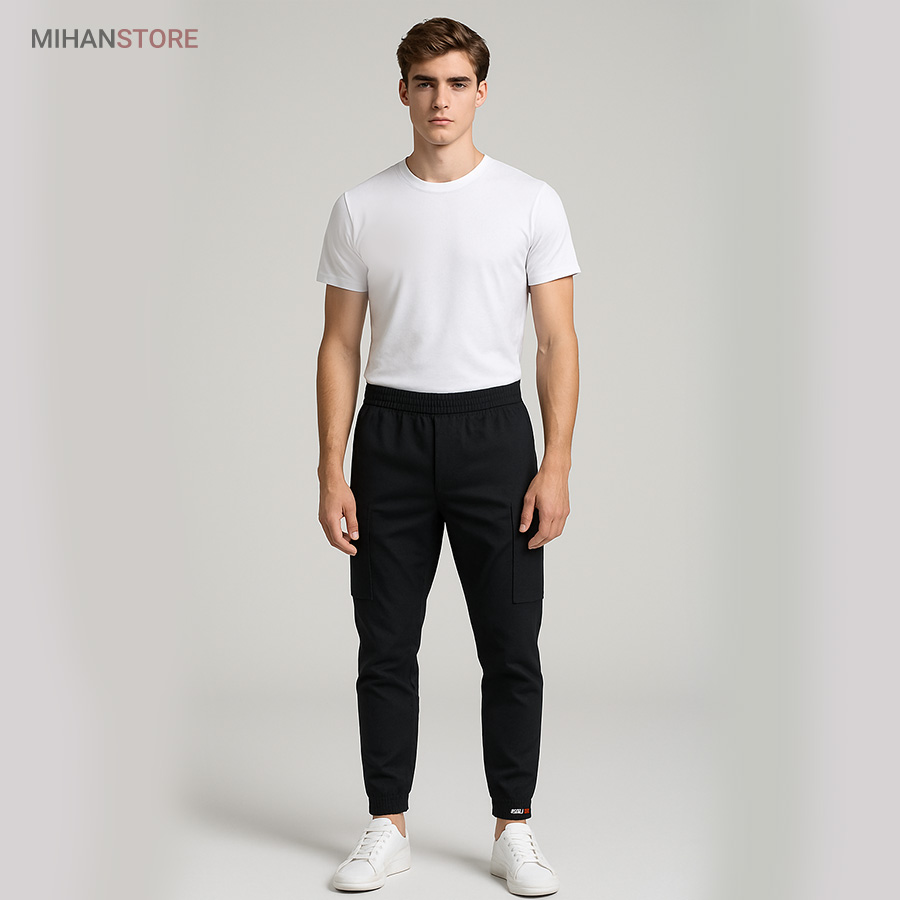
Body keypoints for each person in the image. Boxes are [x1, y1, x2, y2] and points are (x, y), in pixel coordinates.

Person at [315, 16, 580, 896]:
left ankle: (515, 826)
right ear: (403, 91)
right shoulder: (361, 206)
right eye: (426, 83)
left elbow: (557, 343)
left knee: (511, 644)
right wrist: (330, 468)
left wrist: (556, 464)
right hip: (389, 436)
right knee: (384, 644)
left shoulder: (531, 201)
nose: (441, 100)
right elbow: (339, 346)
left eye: (458, 83)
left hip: (493, 435)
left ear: (481, 92)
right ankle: (386, 823)